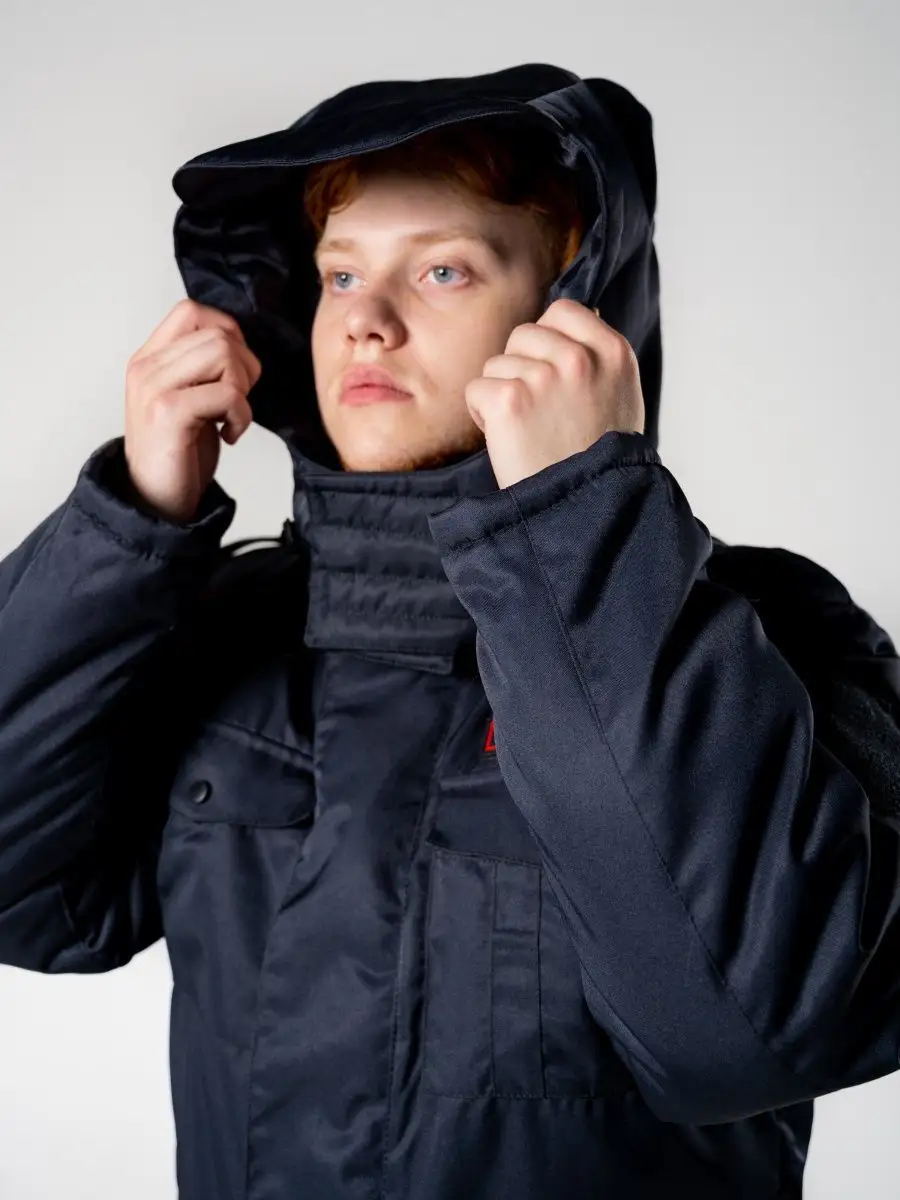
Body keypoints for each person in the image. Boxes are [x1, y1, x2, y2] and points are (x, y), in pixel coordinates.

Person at [1, 62, 899, 1200]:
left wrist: (583, 525)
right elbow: (24, 895)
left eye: (442, 269)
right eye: (339, 274)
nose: (365, 323)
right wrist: (129, 524)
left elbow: (751, 1033)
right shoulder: (229, 633)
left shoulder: (776, 638)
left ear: (574, 311)